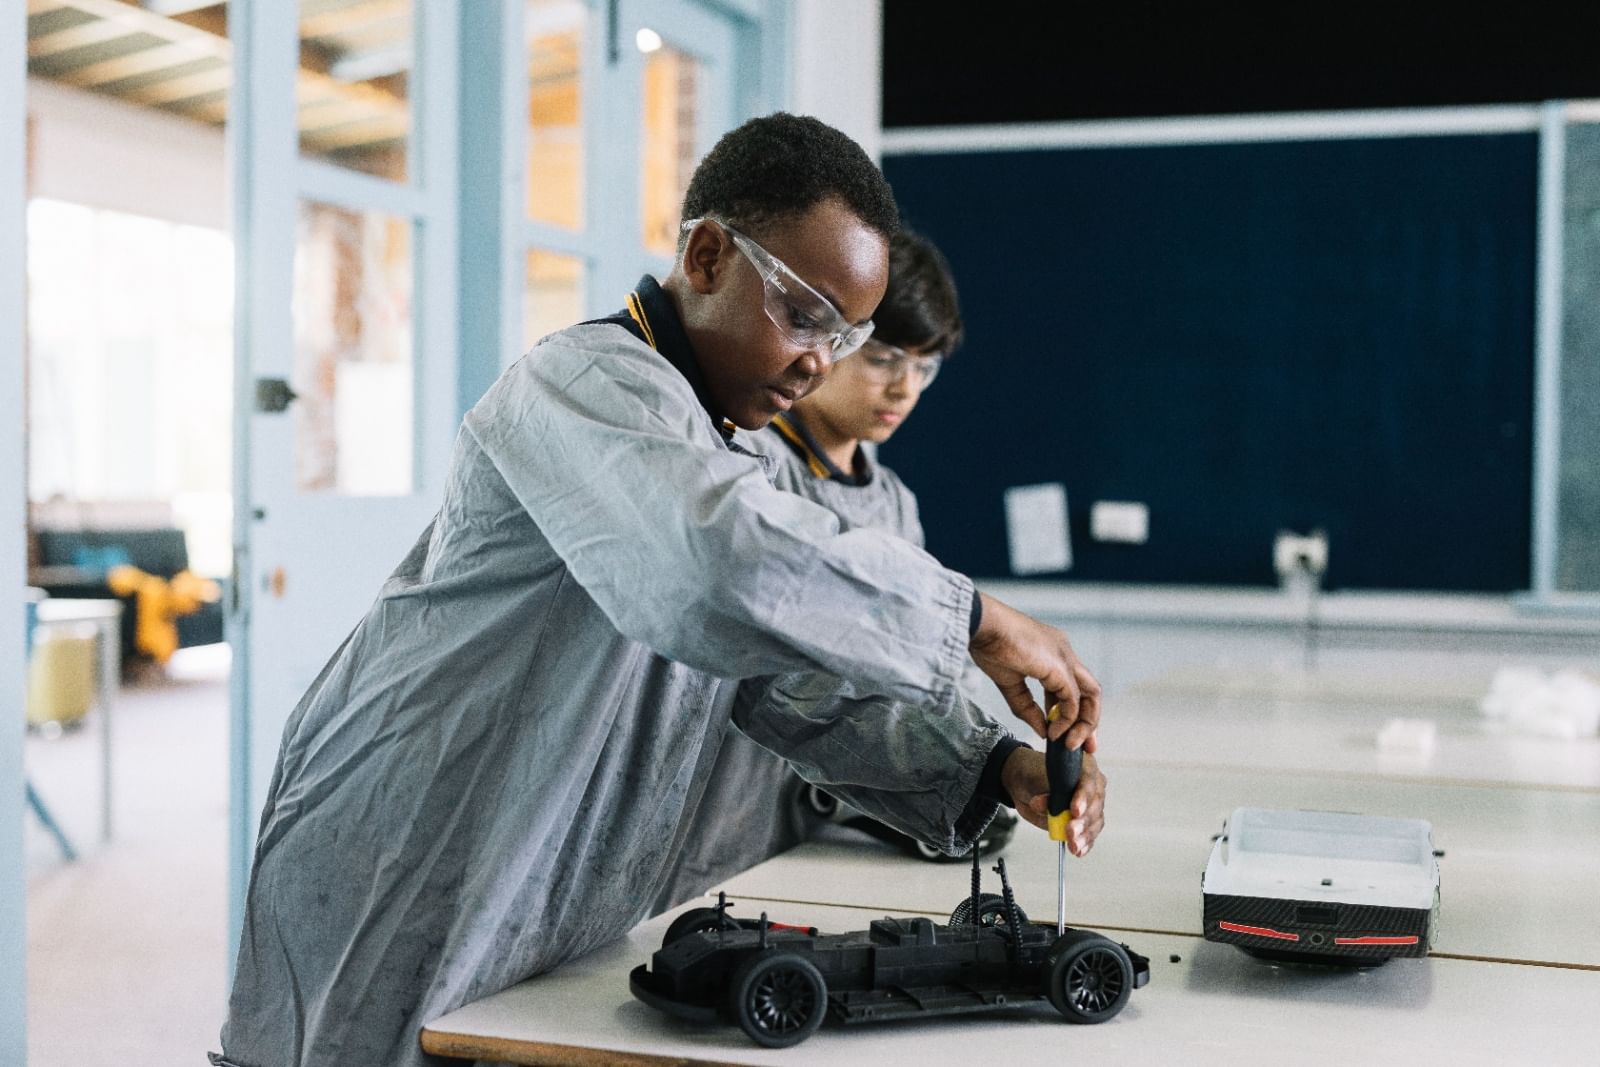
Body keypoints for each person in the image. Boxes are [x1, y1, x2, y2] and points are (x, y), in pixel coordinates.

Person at [214, 113, 1103, 1067]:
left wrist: (981, 767)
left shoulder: (726, 445)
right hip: (405, 846)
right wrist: (974, 620)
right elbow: (713, 569)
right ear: (710, 254)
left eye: (843, 338)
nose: (818, 362)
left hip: (527, 875)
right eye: (804, 316)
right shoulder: (581, 383)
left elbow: (780, 678)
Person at [652, 229, 1084, 910]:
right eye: (883, 358)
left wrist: (982, 767)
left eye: (926, 367)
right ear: (834, 341)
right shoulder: (756, 472)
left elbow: (903, 686)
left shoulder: (893, 502)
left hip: (818, 833)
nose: (904, 387)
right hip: (712, 829)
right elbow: (786, 684)